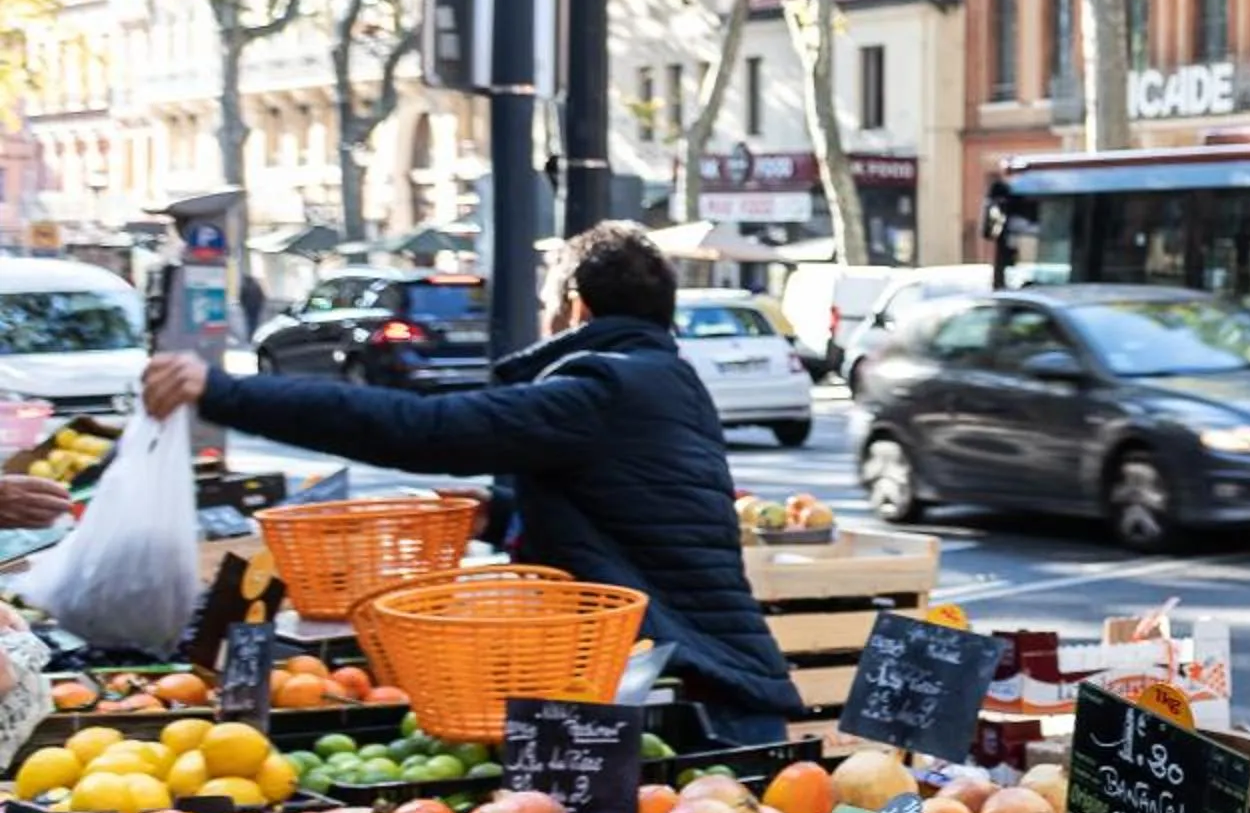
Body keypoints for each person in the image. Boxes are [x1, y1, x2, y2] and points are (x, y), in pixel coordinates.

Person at [142, 224, 802, 742]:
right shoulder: (659, 379)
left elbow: (426, 430)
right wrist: (507, 511)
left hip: (690, 693)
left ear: (575, 305)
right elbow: (637, 508)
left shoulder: (601, 387)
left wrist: (222, 391)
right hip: (693, 679)